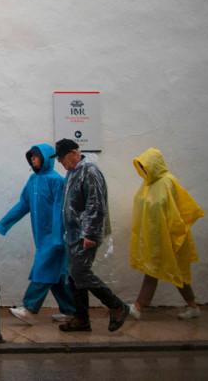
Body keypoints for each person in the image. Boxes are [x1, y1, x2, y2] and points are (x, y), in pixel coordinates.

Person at [0, 143, 75, 324]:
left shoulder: (57, 181)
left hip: (54, 237)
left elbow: (58, 211)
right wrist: (4, 224)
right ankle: (71, 311)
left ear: (45, 158)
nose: (33, 159)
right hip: (42, 237)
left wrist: (56, 237)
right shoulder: (33, 180)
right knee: (57, 276)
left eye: (36, 156)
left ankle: (29, 309)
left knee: (42, 271)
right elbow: (23, 204)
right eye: (31, 156)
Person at [54, 139, 129, 332]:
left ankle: (116, 305)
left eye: (62, 158)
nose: (60, 162)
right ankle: (81, 318)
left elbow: (95, 205)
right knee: (74, 275)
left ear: (73, 153)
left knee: (80, 273)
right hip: (74, 233)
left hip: (85, 234)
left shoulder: (89, 172)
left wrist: (91, 233)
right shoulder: (74, 172)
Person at [128, 148, 204, 320]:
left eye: (146, 165)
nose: (144, 169)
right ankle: (193, 306)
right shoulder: (147, 184)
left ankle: (138, 307)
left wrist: (174, 236)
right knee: (165, 270)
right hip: (153, 237)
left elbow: (176, 210)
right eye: (141, 166)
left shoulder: (168, 182)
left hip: (169, 236)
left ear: (155, 164)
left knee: (159, 270)